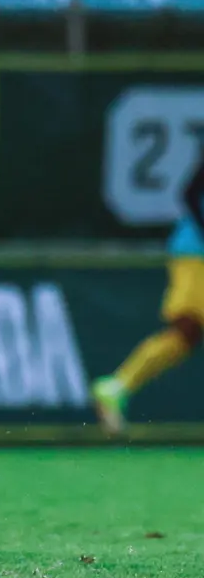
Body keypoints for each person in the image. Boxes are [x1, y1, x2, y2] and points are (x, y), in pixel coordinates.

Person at [93, 150, 204, 435]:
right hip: (196, 252)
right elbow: (190, 192)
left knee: (186, 336)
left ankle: (116, 387)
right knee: (187, 329)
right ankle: (116, 386)